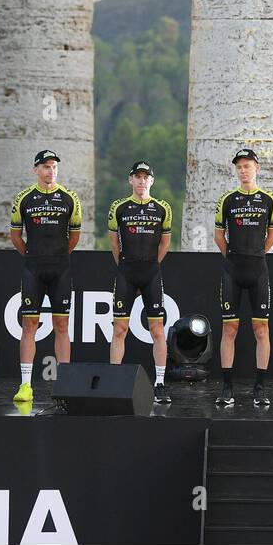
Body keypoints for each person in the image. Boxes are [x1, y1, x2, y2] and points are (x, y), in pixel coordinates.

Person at [9, 149, 82, 404]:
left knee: (61, 325)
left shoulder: (70, 197)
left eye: (54, 167)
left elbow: (74, 236)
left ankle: (65, 385)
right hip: (33, 268)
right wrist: (31, 255)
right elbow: (16, 236)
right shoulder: (24, 198)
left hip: (60, 267)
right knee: (29, 325)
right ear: (36, 170)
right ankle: (26, 385)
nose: (51, 171)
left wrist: (59, 254)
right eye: (46, 167)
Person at [213, 148, 273, 408]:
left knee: (261, 329)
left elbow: (271, 235)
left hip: (258, 269)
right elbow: (219, 237)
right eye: (239, 166)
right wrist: (233, 256)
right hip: (233, 268)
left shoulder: (269, 199)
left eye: (247, 165)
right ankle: (227, 387)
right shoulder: (227, 200)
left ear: (257, 168)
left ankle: (259, 388)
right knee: (230, 328)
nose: (243, 170)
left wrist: (256, 254)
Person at [108, 160, 173, 404]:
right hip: (126, 272)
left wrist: (151, 264)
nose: (142, 180)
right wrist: (125, 265)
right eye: (137, 176)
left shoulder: (162, 207)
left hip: (151, 274)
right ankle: (114, 381)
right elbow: (114, 244)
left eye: (146, 177)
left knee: (157, 330)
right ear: (131, 180)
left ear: (151, 181)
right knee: (119, 329)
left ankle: (159, 383)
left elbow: (165, 243)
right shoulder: (119, 207)